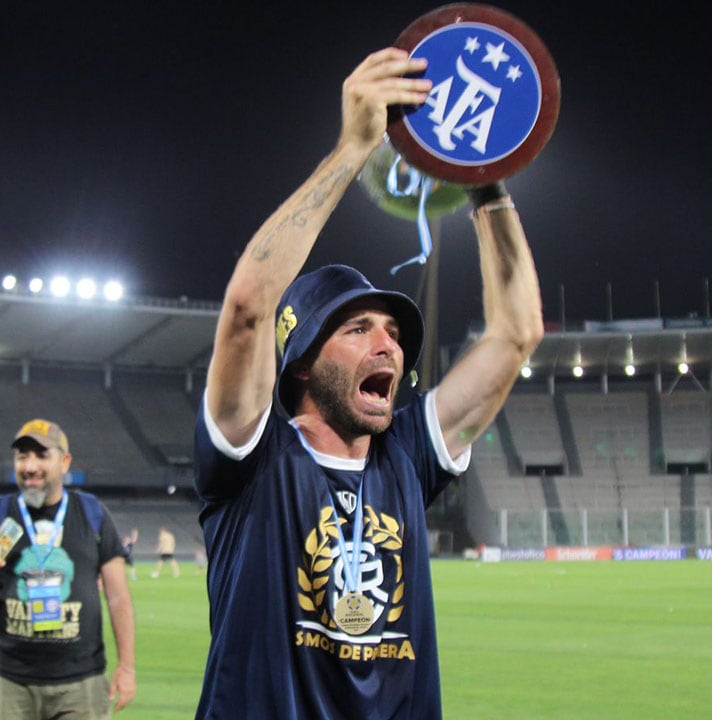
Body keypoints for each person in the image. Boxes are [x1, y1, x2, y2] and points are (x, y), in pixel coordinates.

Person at [193, 48, 544, 719]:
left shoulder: (407, 453)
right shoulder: (250, 458)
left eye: (392, 332)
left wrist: (486, 180)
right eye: (355, 330)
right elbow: (246, 312)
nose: (387, 344)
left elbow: (516, 335)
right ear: (299, 362)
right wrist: (355, 146)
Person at [0, 419, 136, 718]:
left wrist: (126, 668)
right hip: (5, 682)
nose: (30, 465)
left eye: (41, 455)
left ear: (64, 463)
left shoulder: (92, 514)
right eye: (22, 456)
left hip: (80, 685)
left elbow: (118, 597)